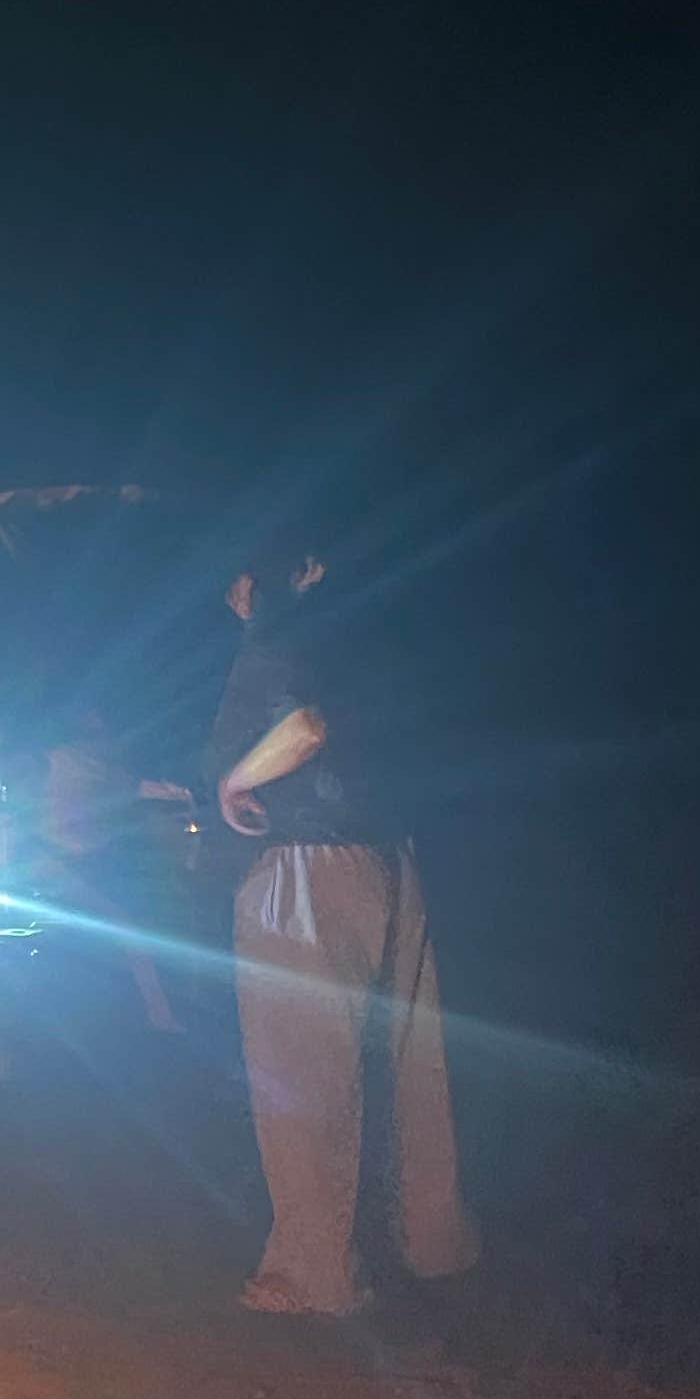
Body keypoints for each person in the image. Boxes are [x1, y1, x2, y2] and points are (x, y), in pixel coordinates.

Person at [207, 547, 478, 1315]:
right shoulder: (378, 635)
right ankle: (435, 1242)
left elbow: (302, 726)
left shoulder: (281, 632)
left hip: (307, 867)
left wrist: (234, 780)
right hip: (390, 856)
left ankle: (315, 1274)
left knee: (303, 1069)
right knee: (409, 1063)